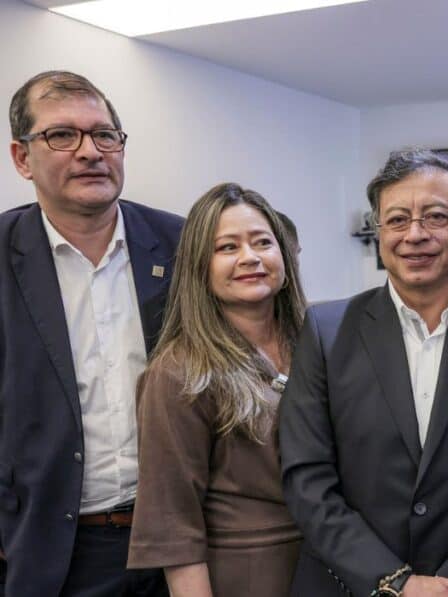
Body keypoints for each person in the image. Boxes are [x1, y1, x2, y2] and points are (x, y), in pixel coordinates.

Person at [279, 149, 448, 597]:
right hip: (351, 585)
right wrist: (395, 583)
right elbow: (306, 477)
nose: (415, 235)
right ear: (379, 232)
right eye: (397, 220)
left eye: (435, 217)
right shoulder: (326, 332)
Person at [0, 71, 182, 596]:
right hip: (48, 548)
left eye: (104, 135)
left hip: (178, 538)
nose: (90, 152)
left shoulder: (180, 243)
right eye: (62, 135)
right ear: (22, 158)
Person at [127, 183, 306, 596]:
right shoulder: (178, 374)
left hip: (334, 567)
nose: (250, 257)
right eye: (227, 247)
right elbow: (174, 527)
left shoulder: (320, 345)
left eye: (262, 242)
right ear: (199, 268)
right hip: (249, 578)